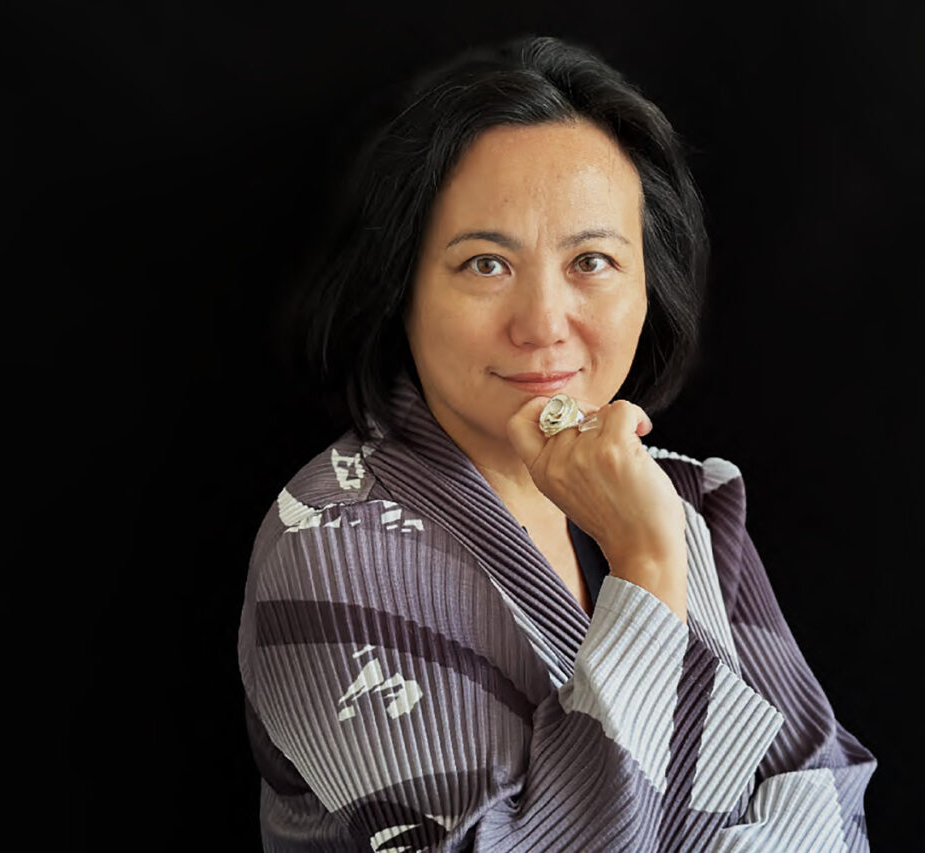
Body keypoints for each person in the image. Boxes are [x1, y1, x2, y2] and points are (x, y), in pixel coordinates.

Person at [238, 34, 876, 851]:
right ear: (402, 286)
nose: (543, 324)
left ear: (651, 286)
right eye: (484, 265)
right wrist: (645, 570)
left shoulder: (675, 498)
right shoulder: (329, 546)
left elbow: (826, 795)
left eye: (592, 260)